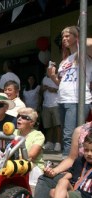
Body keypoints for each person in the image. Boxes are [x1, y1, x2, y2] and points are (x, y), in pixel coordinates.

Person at [24, 121, 92, 198]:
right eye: (86, 150)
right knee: (47, 179)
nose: (88, 153)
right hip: (78, 184)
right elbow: (71, 159)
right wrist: (54, 171)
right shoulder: (81, 131)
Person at [47, 26, 92, 158]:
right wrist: (52, 76)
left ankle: (69, 164)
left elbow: (90, 43)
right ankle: (70, 161)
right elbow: (62, 83)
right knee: (68, 134)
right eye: (63, 37)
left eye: (67, 36)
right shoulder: (65, 60)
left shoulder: (84, 53)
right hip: (63, 100)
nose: (64, 39)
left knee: (70, 134)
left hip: (77, 99)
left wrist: (78, 34)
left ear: (76, 36)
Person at [45, 133, 92, 198]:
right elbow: (72, 172)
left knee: (57, 191)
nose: (89, 154)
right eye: (86, 150)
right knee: (54, 190)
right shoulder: (80, 160)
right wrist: (61, 178)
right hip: (77, 193)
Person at [14, 107, 45, 186]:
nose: (19, 119)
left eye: (24, 117)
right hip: (13, 165)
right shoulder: (13, 133)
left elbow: (31, 156)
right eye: (18, 116)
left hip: (32, 167)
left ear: (32, 122)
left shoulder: (38, 135)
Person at [41, 71, 62, 152]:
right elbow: (40, 91)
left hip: (56, 104)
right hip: (46, 104)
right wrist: (44, 88)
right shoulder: (44, 79)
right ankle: (49, 142)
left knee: (57, 125)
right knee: (48, 125)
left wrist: (54, 90)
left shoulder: (57, 77)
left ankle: (58, 143)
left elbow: (62, 89)